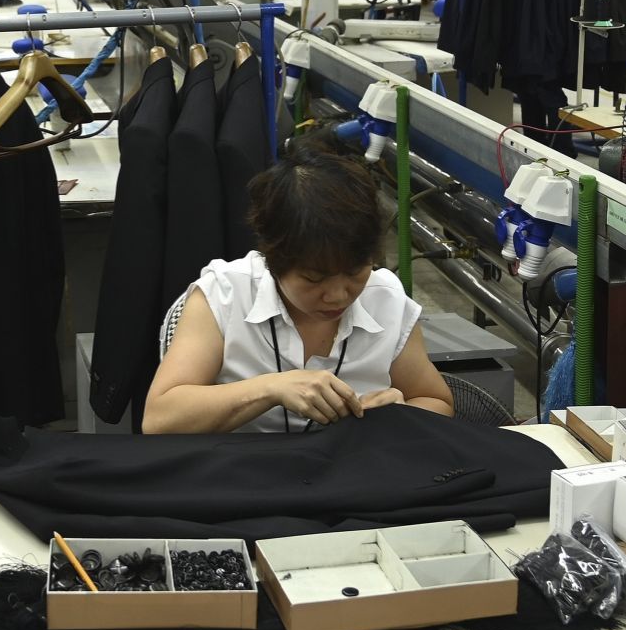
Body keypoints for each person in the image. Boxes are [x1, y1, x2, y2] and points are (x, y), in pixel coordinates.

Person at [143, 136, 453, 434]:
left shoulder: (385, 300)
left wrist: (400, 412)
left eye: (356, 272)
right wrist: (269, 388)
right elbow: (160, 420)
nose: (337, 296)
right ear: (273, 259)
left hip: (351, 476)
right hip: (238, 476)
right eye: (314, 278)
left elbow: (436, 401)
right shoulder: (224, 296)